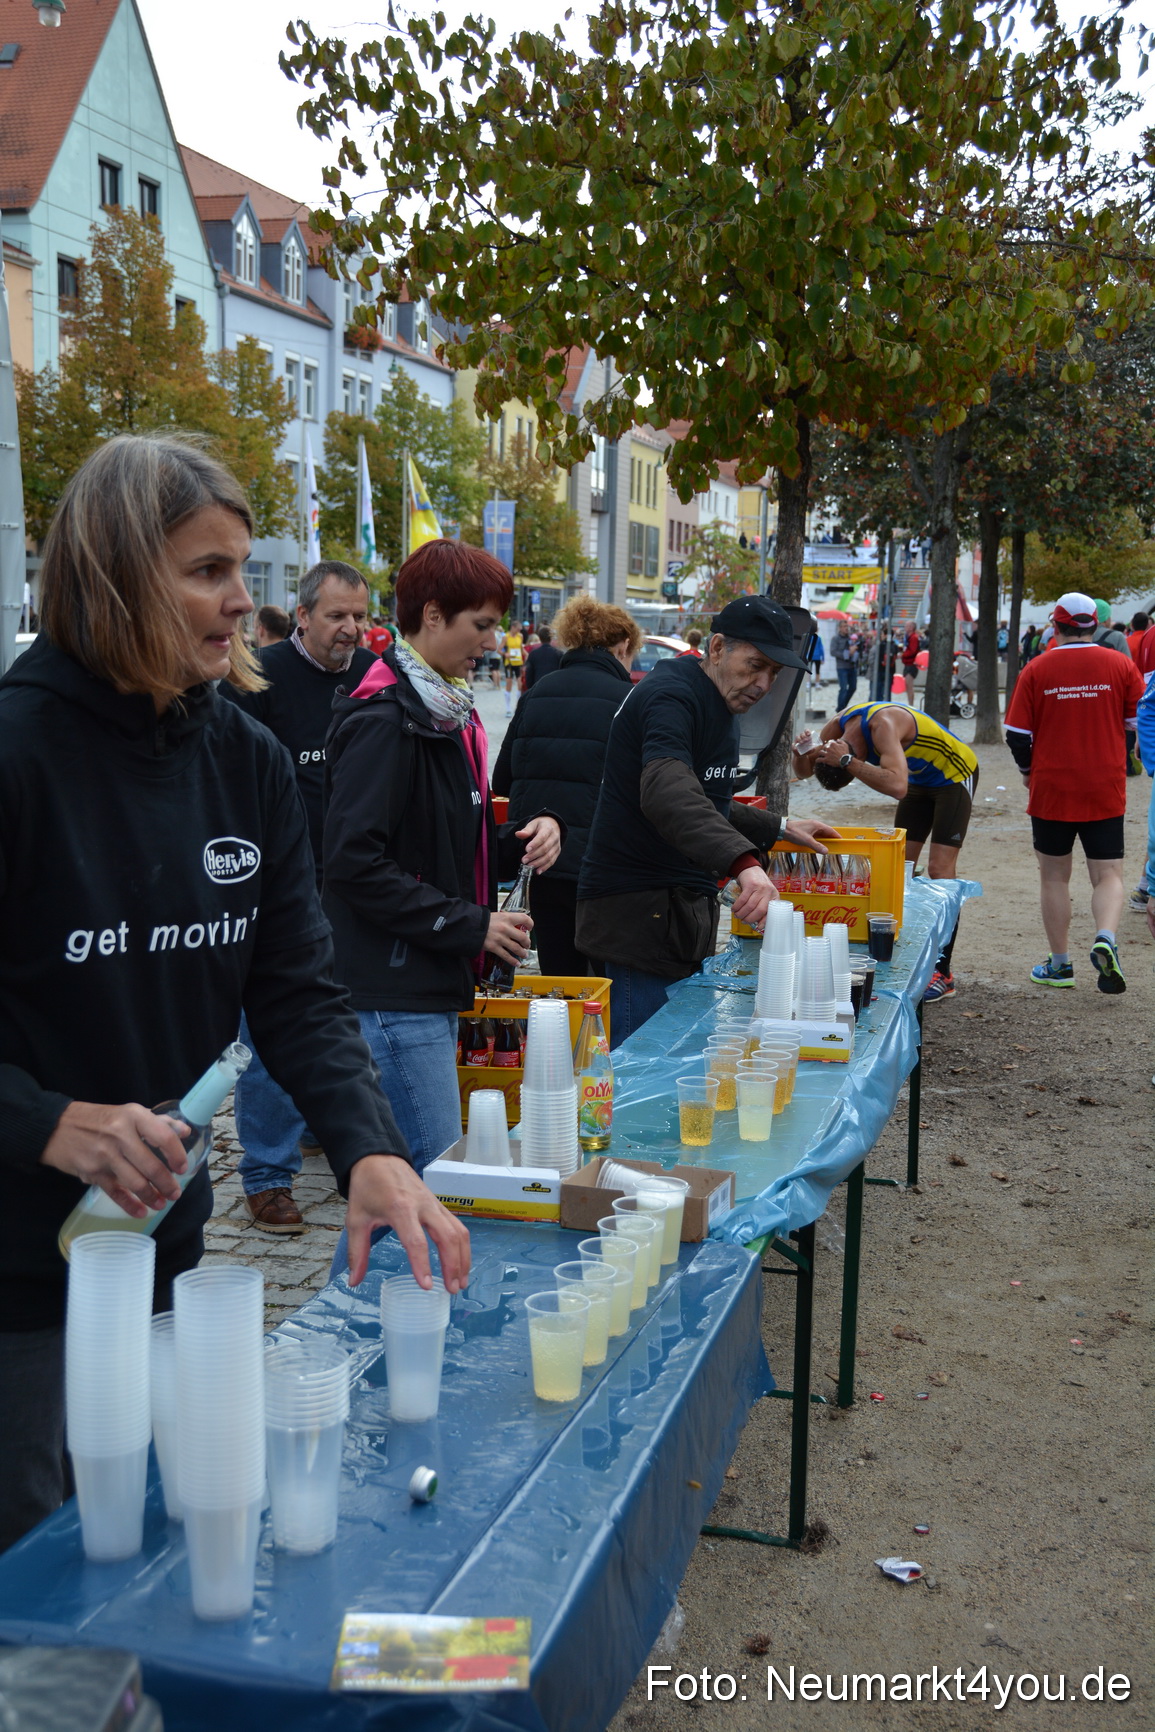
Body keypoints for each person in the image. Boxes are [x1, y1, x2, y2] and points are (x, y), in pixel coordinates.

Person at [0, 435, 469, 1555]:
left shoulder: (244, 758)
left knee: (160, 1555)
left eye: (244, 570)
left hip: (161, 1253)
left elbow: (300, 990)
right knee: (41, 1591)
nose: (238, 602)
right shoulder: (17, 754)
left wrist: (367, 1150)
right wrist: (51, 1123)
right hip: (14, 1275)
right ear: (115, 572)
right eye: (207, 571)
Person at [322, 541, 562, 1175]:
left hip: (423, 981)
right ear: (432, 614)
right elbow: (352, 864)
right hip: (392, 991)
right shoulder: (386, 718)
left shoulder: (442, 712)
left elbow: (443, 843)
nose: (490, 642)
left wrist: (527, 837)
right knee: (430, 1186)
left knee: (404, 1190)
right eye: (481, 625)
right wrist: (472, 925)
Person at [575, 595, 839, 1047]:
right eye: (754, 665)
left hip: (675, 914)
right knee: (647, 1063)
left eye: (774, 673)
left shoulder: (722, 699)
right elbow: (666, 788)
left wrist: (776, 826)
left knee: (672, 1058)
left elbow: (705, 795)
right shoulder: (672, 694)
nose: (762, 684)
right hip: (639, 913)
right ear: (717, 648)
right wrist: (744, 864)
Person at [219, 561, 376, 1231]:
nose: (350, 629)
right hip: (277, 884)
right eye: (336, 616)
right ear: (303, 615)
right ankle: (265, 1174)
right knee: (268, 1032)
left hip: (356, 882)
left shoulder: (374, 680)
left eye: (360, 616)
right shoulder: (258, 678)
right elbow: (220, 773)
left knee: (347, 1022)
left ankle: (335, 1136)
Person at [793, 697, 980, 1002]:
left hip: (953, 775)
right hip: (917, 778)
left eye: (853, 763)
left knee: (940, 871)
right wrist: (800, 752)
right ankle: (909, 953)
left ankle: (943, 972)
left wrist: (847, 763)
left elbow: (897, 788)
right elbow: (801, 772)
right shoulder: (835, 732)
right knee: (900, 868)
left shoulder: (882, 724)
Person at [492, 598, 642, 975]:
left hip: (541, 861)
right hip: (602, 866)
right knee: (606, 983)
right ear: (622, 645)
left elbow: (502, 780)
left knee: (560, 976)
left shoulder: (535, 695)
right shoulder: (629, 701)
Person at [1004, 591, 1144, 992]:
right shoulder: (1120, 663)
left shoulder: (1037, 668)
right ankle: (1106, 938)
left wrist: (1028, 771)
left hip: (1052, 785)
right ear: (1094, 625)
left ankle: (1061, 965)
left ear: (1056, 625)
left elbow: (1016, 735)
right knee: (1108, 874)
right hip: (1104, 783)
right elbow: (1138, 721)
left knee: (1053, 876)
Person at [522, 623, 563, 688]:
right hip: (554, 687)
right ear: (551, 637)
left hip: (538, 687)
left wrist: (531, 688)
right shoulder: (559, 654)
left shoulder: (533, 654)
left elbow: (529, 674)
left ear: (539, 637)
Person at [831, 620, 859, 709]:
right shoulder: (835, 638)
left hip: (851, 666)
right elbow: (833, 652)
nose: (846, 628)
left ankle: (842, 706)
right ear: (840, 628)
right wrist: (846, 654)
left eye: (847, 626)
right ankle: (841, 708)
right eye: (844, 626)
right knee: (843, 688)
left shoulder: (851, 638)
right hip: (842, 667)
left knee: (853, 687)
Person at [501, 620, 524, 716]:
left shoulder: (520, 636)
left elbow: (521, 649)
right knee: (509, 683)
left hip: (518, 662)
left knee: (520, 684)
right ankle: (508, 708)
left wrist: (526, 654)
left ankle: (518, 706)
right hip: (509, 663)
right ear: (513, 627)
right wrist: (505, 654)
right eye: (518, 629)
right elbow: (499, 649)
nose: (519, 631)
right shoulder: (506, 637)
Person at [901, 625, 921, 703]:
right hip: (908, 663)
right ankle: (910, 703)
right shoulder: (910, 638)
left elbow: (912, 651)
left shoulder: (913, 638)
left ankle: (911, 704)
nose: (905, 628)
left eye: (906, 626)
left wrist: (903, 654)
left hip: (911, 664)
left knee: (909, 685)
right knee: (907, 685)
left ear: (911, 628)